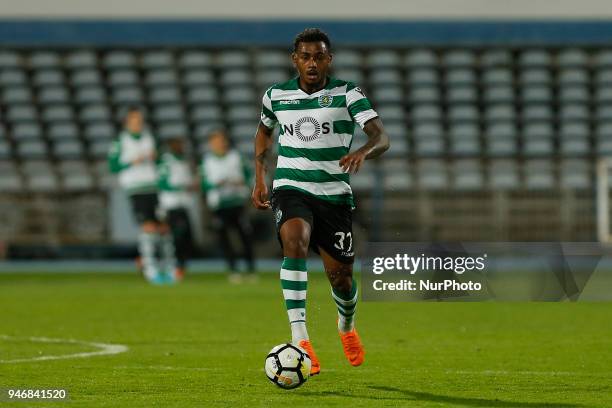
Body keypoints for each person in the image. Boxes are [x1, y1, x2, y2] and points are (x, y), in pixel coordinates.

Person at [251, 28, 390, 375]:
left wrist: (363, 150)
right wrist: (259, 176)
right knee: (294, 242)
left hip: (334, 195)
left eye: (319, 56)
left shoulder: (347, 93)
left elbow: (381, 135)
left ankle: (346, 325)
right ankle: (301, 340)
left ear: (329, 59)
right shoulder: (276, 95)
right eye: (305, 56)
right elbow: (264, 131)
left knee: (340, 277)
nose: (312, 63)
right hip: (290, 186)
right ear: (294, 59)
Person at [108, 106, 176, 283]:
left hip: (154, 187)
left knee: (163, 228)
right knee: (148, 227)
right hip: (136, 188)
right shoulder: (120, 141)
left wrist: (156, 157)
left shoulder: (150, 138)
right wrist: (131, 162)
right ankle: (150, 268)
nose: (138, 124)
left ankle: (168, 266)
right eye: (134, 120)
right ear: (127, 122)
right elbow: (113, 166)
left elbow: (163, 160)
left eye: (140, 120)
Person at [201, 129, 255, 282]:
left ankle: (250, 269)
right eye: (216, 141)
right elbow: (204, 184)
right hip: (219, 204)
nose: (220, 144)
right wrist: (215, 184)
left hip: (238, 201)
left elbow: (250, 176)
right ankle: (233, 269)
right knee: (224, 238)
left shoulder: (236, 157)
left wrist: (242, 183)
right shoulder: (207, 161)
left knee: (244, 235)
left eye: (221, 140)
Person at [157, 136, 196, 280]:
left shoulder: (184, 161)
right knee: (175, 238)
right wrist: (182, 187)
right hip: (170, 204)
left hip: (184, 203)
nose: (181, 147)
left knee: (186, 237)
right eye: (178, 145)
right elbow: (162, 182)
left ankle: (181, 266)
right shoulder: (166, 161)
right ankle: (174, 266)